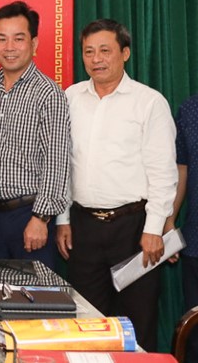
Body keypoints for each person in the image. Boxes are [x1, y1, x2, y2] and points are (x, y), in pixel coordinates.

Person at [55, 19, 176, 353]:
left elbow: (163, 171)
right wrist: (62, 220)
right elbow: (62, 164)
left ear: (125, 53)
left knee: (137, 325)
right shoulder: (70, 98)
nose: (96, 59)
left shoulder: (149, 102)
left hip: (134, 230)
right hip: (83, 228)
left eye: (105, 50)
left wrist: (154, 229)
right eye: (89, 52)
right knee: (86, 325)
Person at [0, 1, 70, 268]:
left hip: (28, 215)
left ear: (34, 43)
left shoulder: (48, 93)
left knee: (33, 291)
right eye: (1, 39)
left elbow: (56, 160)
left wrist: (40, 218)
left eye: (18, 39)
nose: (9, 47)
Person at [175, 92, 198, 361]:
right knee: (194, 337)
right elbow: (182, 169)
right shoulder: (190, 109)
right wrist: (169, 221)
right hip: (195, 241)